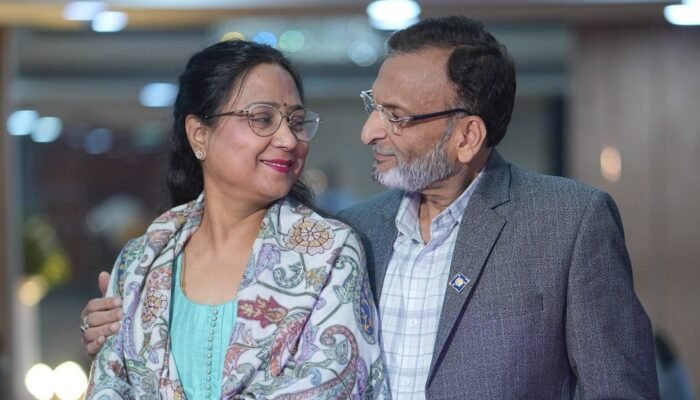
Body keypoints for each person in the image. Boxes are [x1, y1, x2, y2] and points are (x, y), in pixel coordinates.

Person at [81, 16, 659, 399]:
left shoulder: (567, 223)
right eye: (372, 106)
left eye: (395, 116)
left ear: (467, 136)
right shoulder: (362, 229)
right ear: (197, 134)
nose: (368, 132)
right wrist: (112, 326)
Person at [82, 39, 387, 399]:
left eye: (296, 121)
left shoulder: (330, 253)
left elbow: (330, 385)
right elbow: (109, 384)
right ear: (199, 134)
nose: (288, 139)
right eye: (263, 119)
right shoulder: (140, 263)